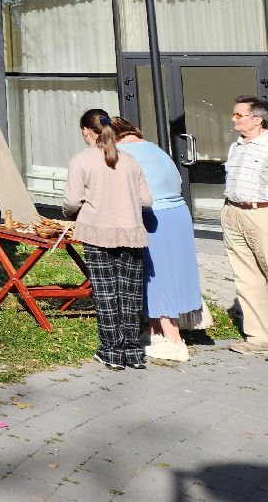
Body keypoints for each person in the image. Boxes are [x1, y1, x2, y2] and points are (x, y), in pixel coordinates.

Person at [99, 114, 202, 363]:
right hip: (177, 214)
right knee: (164, 273)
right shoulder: (155, 149)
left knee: (158, 276)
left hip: (155, 216)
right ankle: (154, 331)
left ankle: (174, 341)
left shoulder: (123, 154)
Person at [66, 109, 153, 370]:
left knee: (106, 294)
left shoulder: (82, 159)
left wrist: (72, 212)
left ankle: (111, 352)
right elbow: (147, 201)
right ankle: (133, 352)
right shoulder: (129, 160)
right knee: (130, 294)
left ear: (85, 131)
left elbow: (71, 201)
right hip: (131, 231)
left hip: (98, 231)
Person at [222, 94, 268, 355]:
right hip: (233, 212)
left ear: (258, 119)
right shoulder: (236, 146)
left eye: (239, 115)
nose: (233, 119)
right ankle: (258, 337)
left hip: (261, 213)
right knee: (247, 277)